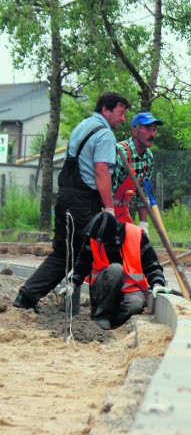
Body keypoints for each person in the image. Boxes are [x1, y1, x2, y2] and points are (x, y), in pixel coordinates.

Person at [13, 92, 130, 313]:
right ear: (106, 109)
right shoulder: (105, 134)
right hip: (83, 202)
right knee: (87, 253)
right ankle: (109, 306)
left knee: (64, 254)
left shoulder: (82, 126)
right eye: (120, 113)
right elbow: (101, 171)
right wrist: (109, 208)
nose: (123, 119)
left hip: (66, 196)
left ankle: (28, 296)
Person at [65, 212, 166, 330]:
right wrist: (72, 283)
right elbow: (82, 264)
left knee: (136, 305)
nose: (100, 244)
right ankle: (102, 316)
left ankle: (113, 320)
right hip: (101, 291)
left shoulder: (136, 236)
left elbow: (152, 265)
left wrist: (158, 283)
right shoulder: (94, 236)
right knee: (116, 269)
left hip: (131, 289)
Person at [112, 112, 163, 231]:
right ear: (134, 131)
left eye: (154, 130)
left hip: (122, 209)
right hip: (105, 208)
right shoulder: (121, 153)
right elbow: (106, 187)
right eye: (148, 129)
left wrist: (143, 223)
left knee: (136, 243)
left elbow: (142, 192)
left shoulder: (148, 157)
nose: (152, 134)